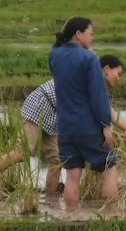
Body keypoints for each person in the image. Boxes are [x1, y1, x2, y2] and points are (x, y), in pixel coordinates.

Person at [0, 55, 126, 195]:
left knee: (57, 160)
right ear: (107, 68)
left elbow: (111, 114)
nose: (118, 78)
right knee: (22, 153)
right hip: (40, 107)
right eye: (118, 73)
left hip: (53, 117)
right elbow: (106, 115)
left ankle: (51, 199)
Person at [48, 17, 116, 211]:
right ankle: (112, 214)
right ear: (78, 34)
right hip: (87, 126)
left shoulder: (54, 55)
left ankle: (72, 217)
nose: (92, 37)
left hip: (65, 127)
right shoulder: (89, 58)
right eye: (90, 33)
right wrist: (105, 125)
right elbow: (97, 95)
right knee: (110, 165)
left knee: (72, 174)